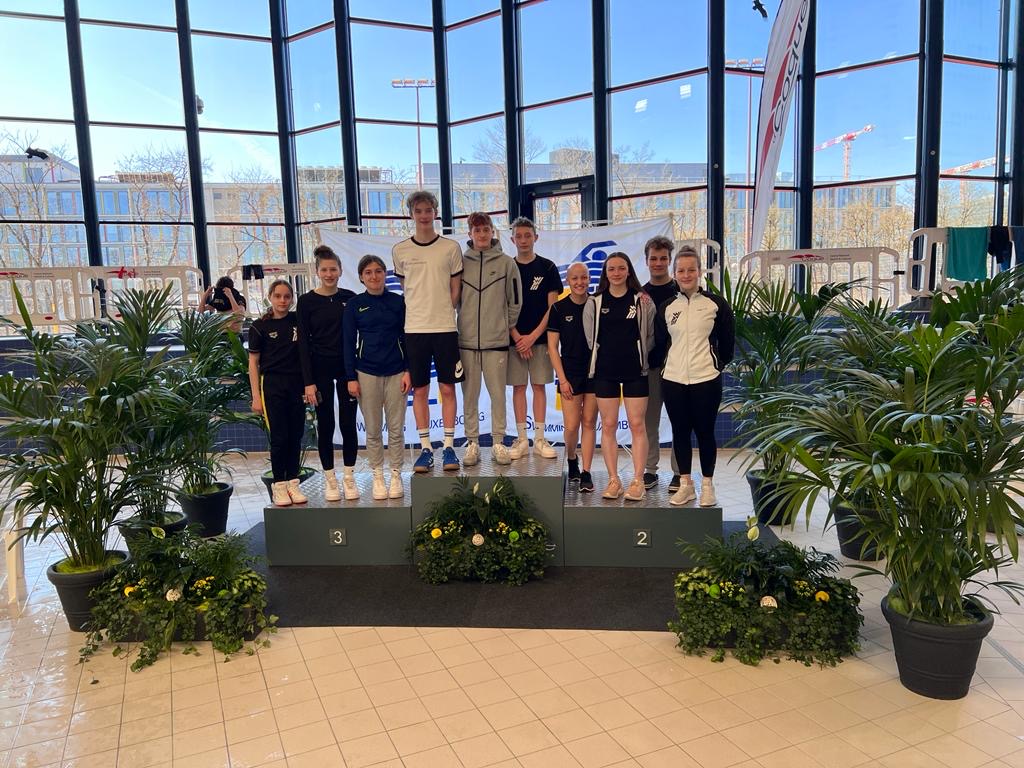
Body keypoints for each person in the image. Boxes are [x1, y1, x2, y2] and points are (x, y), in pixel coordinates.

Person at [655, 246, 735, 507]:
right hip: (673, 380)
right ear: (674, 273)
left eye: (691, 270)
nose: (686, 275)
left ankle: (708, 486)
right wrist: (666, 367)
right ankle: (686, 485)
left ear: (699, 272)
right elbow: (660, 343)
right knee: (680, 432)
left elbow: (728, 344)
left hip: (706, 379)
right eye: (681, 270)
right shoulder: (667, 307)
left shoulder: (716, 304)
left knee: (705, 432)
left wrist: (715, 366)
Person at [392, 190, 464, 474]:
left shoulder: (450, 248)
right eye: (418, 211)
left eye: (428, 210)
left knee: (447, 388)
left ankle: (448, 446)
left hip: (445, 328)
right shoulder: (400, 250)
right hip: (415, 330)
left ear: (435, 212)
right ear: (411, 214)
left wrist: (445, 308)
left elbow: (455, 288)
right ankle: (425, 449)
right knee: (420, 390)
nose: (424, 215)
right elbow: (406, 288)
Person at [582, 252, 655, 501]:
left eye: (621, 268)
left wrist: (640, 355)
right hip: (605, 371)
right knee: (609, 425)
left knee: (637, 424)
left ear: (629, 271)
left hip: (636, 370)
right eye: (611, 269)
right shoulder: (594, 302)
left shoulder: (642, 301)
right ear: (605, 273)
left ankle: (638, 480)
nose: (616, 273)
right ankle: (614, 480)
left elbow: (649, 335)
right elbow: (590, 339)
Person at [344, 255, 410, 500]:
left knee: (396, 429)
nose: (374, 276)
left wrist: (408, 370)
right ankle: (378, 476)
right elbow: (348, 343)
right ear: (361, 277)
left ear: (385, 274)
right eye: (368, 272)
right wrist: (351, 377)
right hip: (366, 373)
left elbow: (407, 338)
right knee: (372, 430)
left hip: (396, 372)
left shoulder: (398, 302)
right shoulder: (354, 305)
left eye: (378, 271)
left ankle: (396, 474)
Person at [458, 212, 522, 466]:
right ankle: (472, 443)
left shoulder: (506, 263)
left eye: (486, 229)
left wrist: (503, 327)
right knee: (469, 396)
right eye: (477, 230)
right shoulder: (460, 262)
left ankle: (498, 442)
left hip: (496, 343)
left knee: (498, 395)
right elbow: (454, 299)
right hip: (466, 343)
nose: (482, 234)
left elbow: (515, 301)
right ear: (470, 234)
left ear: (492, 232)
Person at [297, 245, 358, 502]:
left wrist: (354, 374)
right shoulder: (306, 302)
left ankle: (349, 476)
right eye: (324, 270)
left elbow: (357, 337)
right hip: (319, 368)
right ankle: (330, 478)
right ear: (317, 272)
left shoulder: (350, 298)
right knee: (326, 424)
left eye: (333, 269)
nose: (329, 274)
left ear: (340, 271)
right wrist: (308, 382)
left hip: (346, 369)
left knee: (348, 423)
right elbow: (303, 343)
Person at [248, 280, 307, 508]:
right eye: (278, 296)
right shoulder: (259, 326)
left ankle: (293, 482)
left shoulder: (297, 321)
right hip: (272, 385)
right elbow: (253, 363)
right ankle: (279, 485)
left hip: (297, 385)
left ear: (292, 299)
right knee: (280, 437)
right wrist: (256, 396)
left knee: (295, 435)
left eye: (287, 296)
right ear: (270, 297)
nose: (283, 300)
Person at [508, 217, 563, 460]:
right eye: (518, 236)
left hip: (539, 341)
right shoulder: (507, 268)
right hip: (514, 341)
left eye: (527, 235)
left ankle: (539, 439)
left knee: (539, 387)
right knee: (519, 388)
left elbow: (553, 308)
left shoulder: (548, 267)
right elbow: (502, 306)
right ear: (512, 240)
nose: (523, 240)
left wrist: (532, 337)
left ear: (536, 238)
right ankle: (522, 440)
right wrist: (518, 337)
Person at [547, 262, 597, 493]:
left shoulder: (596, 304)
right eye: (575, 278)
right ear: (568, 281)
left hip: (595, 374)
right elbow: (552, 347)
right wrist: (563, 379)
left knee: (589, 422)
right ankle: (571, 458)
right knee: (571, 425)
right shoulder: (558, 309)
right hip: (570, 374)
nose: (580, 282)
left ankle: (586, 471)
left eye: (584, 277)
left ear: (589, 279)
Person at [641, 235, 682, 492]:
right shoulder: (640, 294)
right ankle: (650, 470)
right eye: (654, 258)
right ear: (646, 261)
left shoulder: (681, 292)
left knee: (679, 421)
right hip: (650, 369)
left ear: (669, 260)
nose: (658, 263)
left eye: (663, 258)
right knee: (649, 423)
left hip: (678, 368)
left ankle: (679, 472)